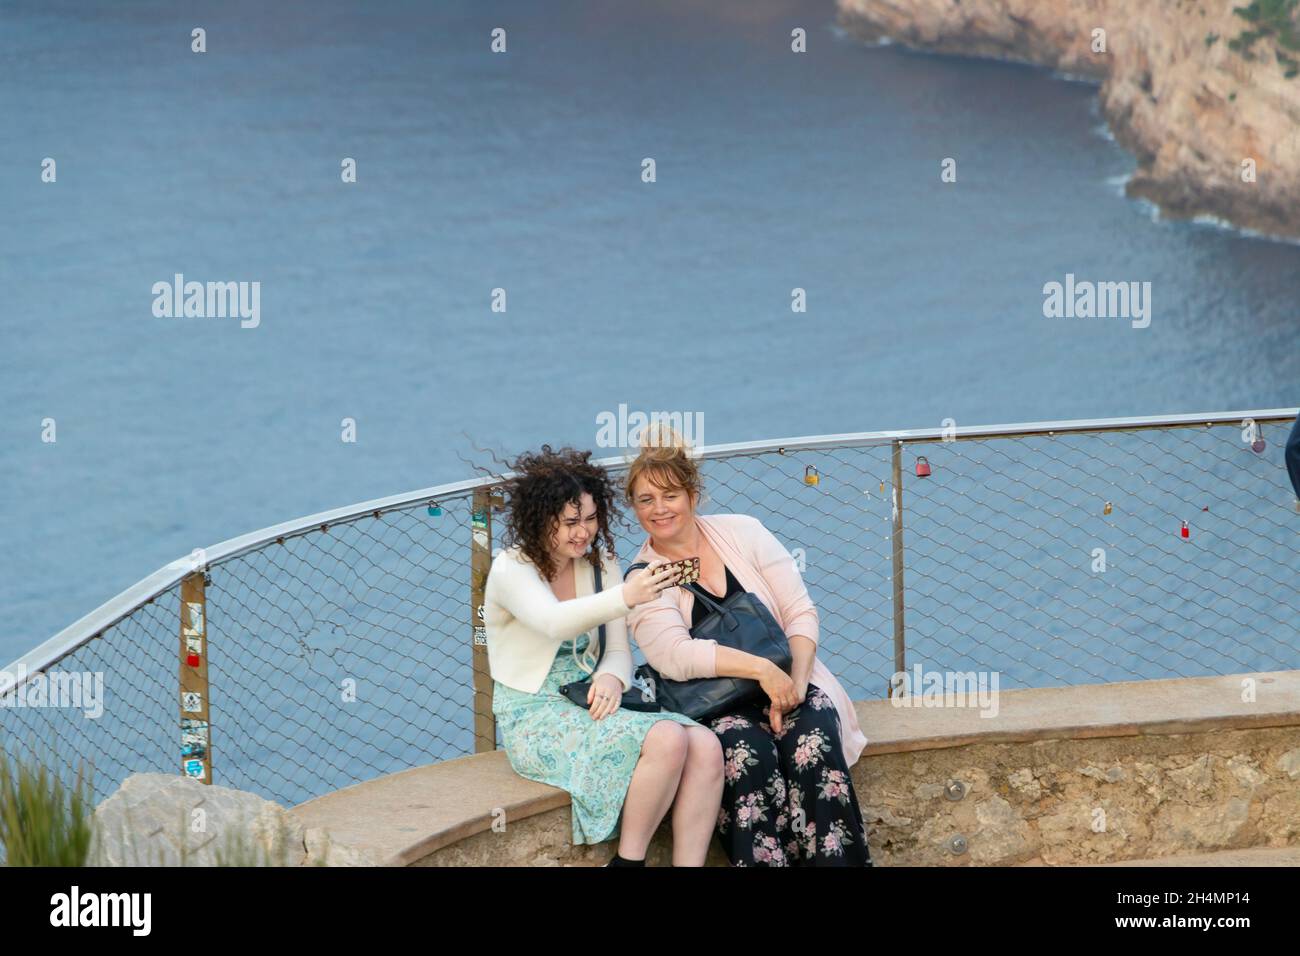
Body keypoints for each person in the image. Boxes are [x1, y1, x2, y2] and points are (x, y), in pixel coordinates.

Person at [624, 426, 872, 866]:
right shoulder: (644, 577)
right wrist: (761, 670)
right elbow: (673, 657)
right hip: (717, 705)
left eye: (670, 495)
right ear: (634, 506)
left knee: (811, 741)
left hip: (791, 679)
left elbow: (800, 612)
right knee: (746, 755)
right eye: (646, 500)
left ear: (693, 494)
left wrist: (792, 686)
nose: (659, 510)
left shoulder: (743, 532)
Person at [483, 445, 723, 866]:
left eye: (591, 519)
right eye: (570, 522)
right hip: (534, 709)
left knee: (704, 744)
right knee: (667, 738)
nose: (583, 532)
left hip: (590, 696)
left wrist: (612, 677)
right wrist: (627, 596)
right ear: (542, 520)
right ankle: (628, 862)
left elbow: (616, 650)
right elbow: (555, 622)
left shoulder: (600, 563)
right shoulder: (511, 568)